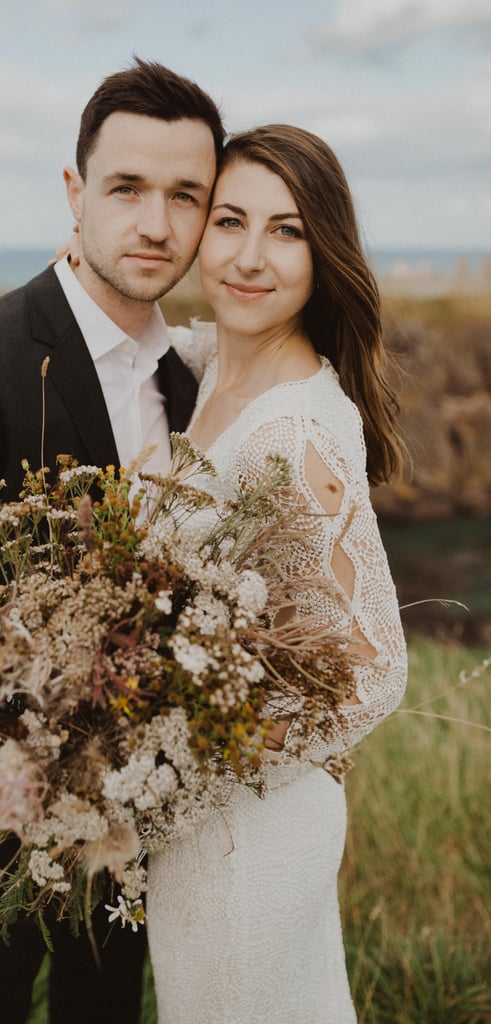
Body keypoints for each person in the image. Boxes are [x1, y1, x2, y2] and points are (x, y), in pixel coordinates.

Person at [0, 58, 223, 1024]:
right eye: (126, 188)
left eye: (184, 195)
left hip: (144, 797)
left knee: (108, 1005)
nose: (155, 223)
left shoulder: (195, 381)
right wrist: (32, 774)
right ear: (76, 193)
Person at [145, 125, 409, 1023]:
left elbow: (377, 669)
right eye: (228, 221)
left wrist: (189, 763)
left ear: (322, 251)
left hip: (249, 826)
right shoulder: (214, 366)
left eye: (286, 231)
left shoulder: (293, 436)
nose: (249, 257)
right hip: (194, 825)